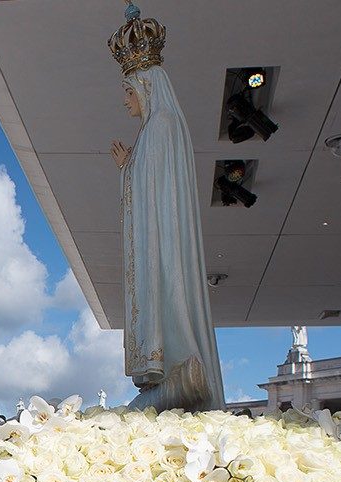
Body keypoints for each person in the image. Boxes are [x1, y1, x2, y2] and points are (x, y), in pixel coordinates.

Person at [109, 2, 225, 412]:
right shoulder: (157, 131)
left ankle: (174, 362)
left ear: (146, 86)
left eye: (128, 90)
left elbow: (154, 195)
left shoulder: (160, 127)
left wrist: (131, 171)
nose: (125, 99)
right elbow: (151, 186)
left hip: (163, 243)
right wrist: (129, 169)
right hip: (162, 233)